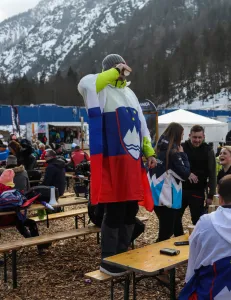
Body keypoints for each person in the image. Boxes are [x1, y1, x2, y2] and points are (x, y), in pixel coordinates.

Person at [78, 54, 157, 276]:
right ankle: (109, 260)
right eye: (116, 67)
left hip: (131, 162)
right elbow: (87, 84)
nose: (122, 70)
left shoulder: (130, 93)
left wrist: (149, 151)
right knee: (114, 209)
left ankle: (124, 256)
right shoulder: (98, 87)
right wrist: (114, 71)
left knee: (130, 209)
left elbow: (141, 125)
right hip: (111, 161)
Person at [149, 123, 191, 242]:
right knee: (166, 233)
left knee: (173, 226)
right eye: (182, 135)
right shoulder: (172, 153)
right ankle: (156, 258)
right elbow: (185, 174)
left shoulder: (158, 149)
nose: (182, 138)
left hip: (158, 196)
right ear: (177, 135)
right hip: (168, 198)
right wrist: (183, 155)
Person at [174, 125, 216, 237]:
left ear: (203, 137)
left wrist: (211, 195)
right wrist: (187, 173)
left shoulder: (208, 150)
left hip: (197, 190)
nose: (197, 140)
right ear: (189, 136)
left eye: (199, 137)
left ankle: (198, 240)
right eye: (194, 137)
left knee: (198, 220)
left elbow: (212, 174)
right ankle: (178, 237)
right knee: (175, 217)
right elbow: (173, 166)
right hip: (181, 189)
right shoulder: (181, 147)